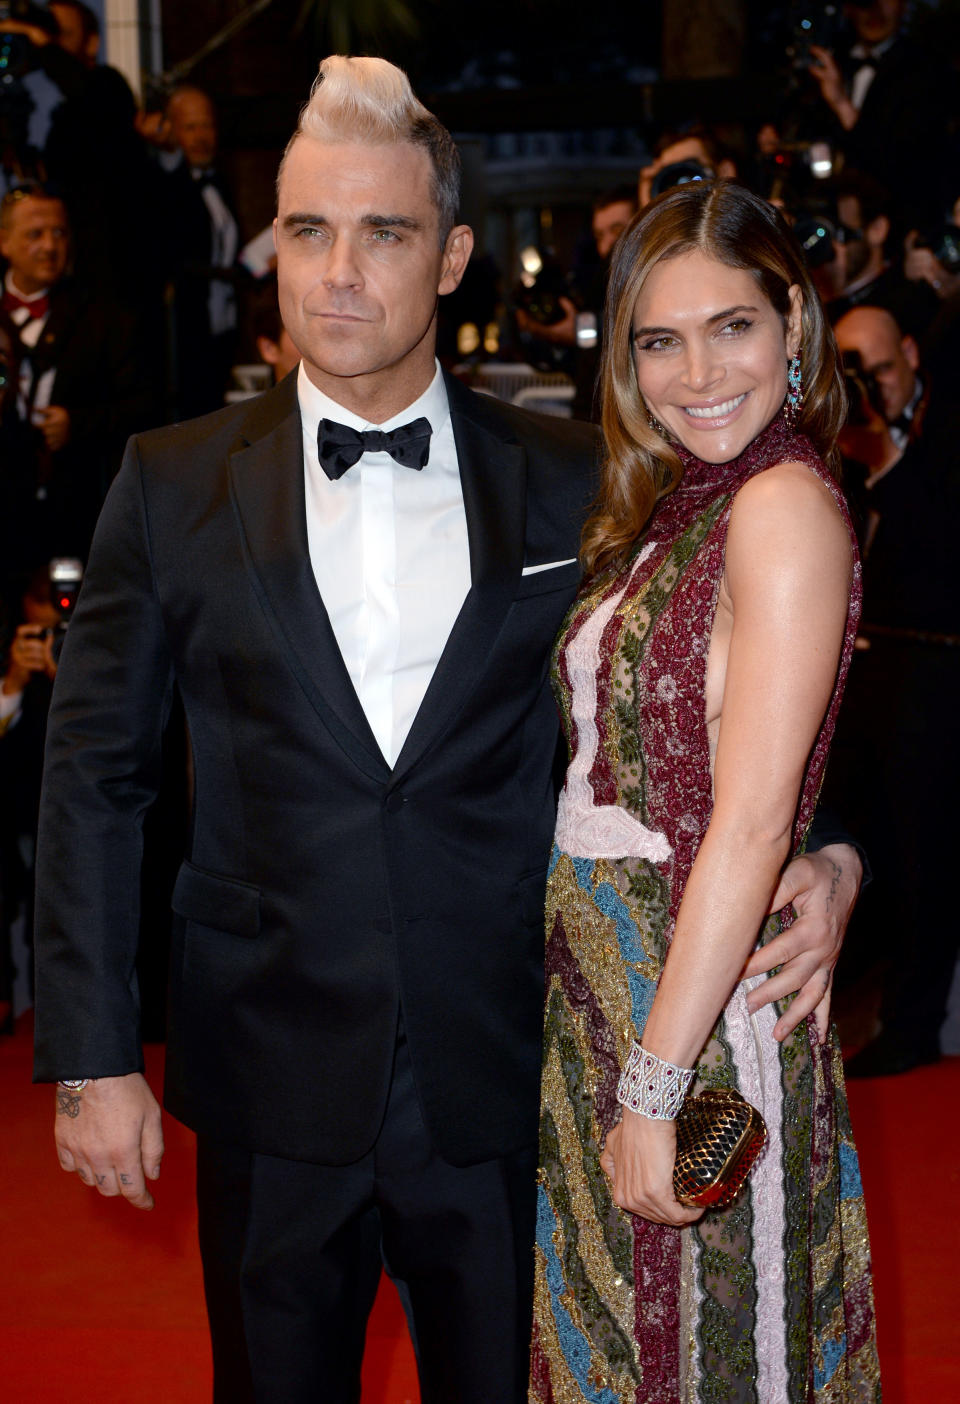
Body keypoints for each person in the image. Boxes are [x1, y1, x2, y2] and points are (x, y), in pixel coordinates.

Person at [33, 59, 862, 1403]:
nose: (340, 272)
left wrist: (832, 853)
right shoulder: (169, 482)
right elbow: (94, 781)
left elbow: (715, 691)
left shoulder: (573, 482)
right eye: (308, 229)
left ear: (456, 254)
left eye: (386, 233)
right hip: (267, 1067)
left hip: (514, 1068)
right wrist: (91, 1052)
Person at [530, 182, 880, 1401]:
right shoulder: (678, 501)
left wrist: (655, 1084)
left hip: (695, 1013)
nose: (698, 373)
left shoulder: (781, 505)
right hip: (611, 999)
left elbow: (748, 822)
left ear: (793, 320)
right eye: (660, 341)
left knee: (710, 1355)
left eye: (732, 325)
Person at [832, 304, 960, 1077]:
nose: (869, 389)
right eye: (852, 375)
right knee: (866, 847)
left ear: (909, 353)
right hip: (866, 675)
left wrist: (879, 454)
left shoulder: (947, 434)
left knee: (927, 857)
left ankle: (913, 1026)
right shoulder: (833, 447)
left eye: (877, 370)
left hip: (938, 675)